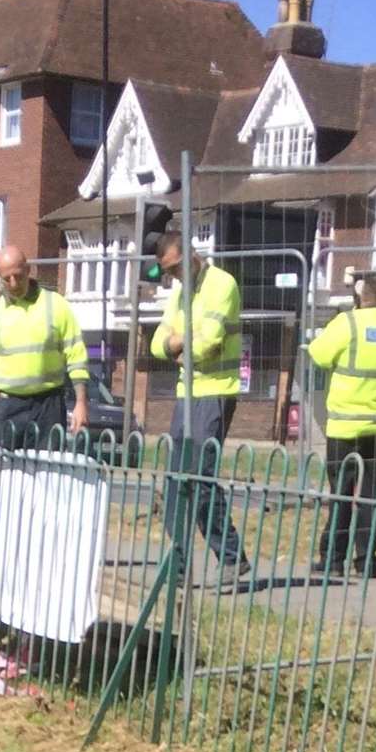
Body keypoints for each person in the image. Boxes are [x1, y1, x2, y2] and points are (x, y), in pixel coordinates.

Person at [150, 233, 252, 581]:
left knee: (201, 479)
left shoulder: (222, 284)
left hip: (215, 393)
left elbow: (207, 345)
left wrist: (176, 344)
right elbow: (155, 345)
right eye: (168, 271)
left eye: (176, 267)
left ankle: (231, 556)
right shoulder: (180, 292)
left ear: (192, 256)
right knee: (177, 482)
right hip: (187, 393)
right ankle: (177, 567)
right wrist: (175, 344)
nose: (174, 276)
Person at [308, 276, 376, 579]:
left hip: (346, 426)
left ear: (360, 296)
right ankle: (367, 560)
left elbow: (319, 355)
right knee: (370, 494)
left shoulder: (347, 322)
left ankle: (332, 559)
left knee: (340, 492)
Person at [0, 246, 90, 449]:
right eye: (7, 279)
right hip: (7, 406)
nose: (14, 283)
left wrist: (81, 403)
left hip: (49, 406)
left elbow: (76, 356)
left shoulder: (56, 305)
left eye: (18, 275)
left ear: (28, 270)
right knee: (3, 475)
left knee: (48, 473)